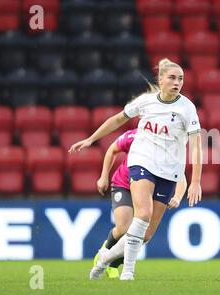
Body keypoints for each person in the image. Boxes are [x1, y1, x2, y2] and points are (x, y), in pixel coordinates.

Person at [69, 58, 203, 280]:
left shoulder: (187, 109)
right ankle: (128, 272)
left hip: (169, 172)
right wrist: (92, 139)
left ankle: (105, 258)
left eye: (180, 79)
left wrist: (196, 181)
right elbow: (117, 120)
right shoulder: (146, 102)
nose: (177, 82)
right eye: (171, 77)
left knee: (146, 234)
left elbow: (196, 146)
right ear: (160, 79)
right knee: (142, 214)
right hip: (142, 162)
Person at [94, 128, 187, 278]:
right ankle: (104, 250)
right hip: (123, 184)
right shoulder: (134, 135)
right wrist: (103, 176)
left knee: (142, 235)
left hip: (147, 189)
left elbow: (180, 175)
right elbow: (112, 149)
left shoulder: (168, 144)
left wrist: (177, 196)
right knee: (124, 228)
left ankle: (112, 263)